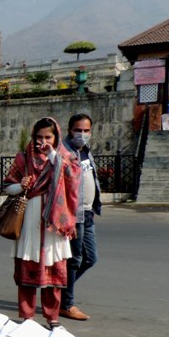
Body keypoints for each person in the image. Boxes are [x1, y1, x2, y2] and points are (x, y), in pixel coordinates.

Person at [2, 117, 80, 330]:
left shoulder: (64, 158)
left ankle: (52, 318)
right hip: (30, 220)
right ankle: (27, 317)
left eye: (48, 137)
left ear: (56, 138)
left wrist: (52, 155)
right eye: (39, 137)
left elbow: (72, 178)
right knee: (28, 267)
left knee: (53, 269)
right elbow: (8, 186)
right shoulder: (24, 158)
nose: (43, 141)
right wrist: (21, 185)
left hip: (55, 223)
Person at [61, 114, 101, 321]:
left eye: (86, 131)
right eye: (78, 130)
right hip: (74, 214)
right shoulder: (65, 152)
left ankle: (59, 293)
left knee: (90, 258)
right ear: (70, 130)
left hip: (87, 212)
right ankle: (66, 303)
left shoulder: (85, 151)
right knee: (75, 259)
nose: (82, 134)